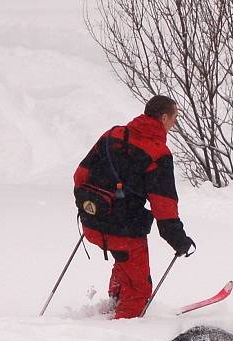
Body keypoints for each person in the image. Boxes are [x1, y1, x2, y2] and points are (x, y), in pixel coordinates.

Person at [73, 95, 195, 319]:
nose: (175, 123)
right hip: (123, 230)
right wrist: (179, 240)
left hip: (91, 224)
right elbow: (164, 207)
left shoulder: (112, 135)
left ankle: (113, 304)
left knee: (125, 261)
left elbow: (80, 175)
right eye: (175, 118)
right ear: (164, 117)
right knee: (139, 289)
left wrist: (92, 208)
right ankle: (123, 327)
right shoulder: (158, 153)